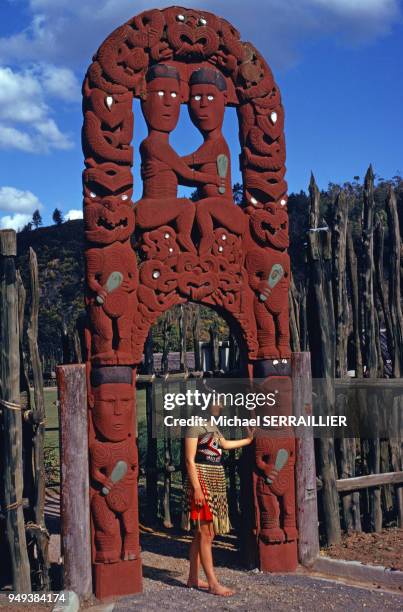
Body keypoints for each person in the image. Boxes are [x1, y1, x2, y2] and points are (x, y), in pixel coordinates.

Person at [134, 64, 221, 253]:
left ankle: (186, 242)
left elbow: (180, 172)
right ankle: (184, 238)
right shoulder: (155, 144)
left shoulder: (162, 148)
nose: (167, 102)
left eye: (174, 95)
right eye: (159, 94)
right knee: (187, 206)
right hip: (151, 209)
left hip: (160, 209)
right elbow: (185, 172)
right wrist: (212, 179)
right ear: (144, 99)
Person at [182, 402, 254, 596]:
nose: (221, 406)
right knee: (206, 533)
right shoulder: (194, 425)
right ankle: (213, 583)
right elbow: (189, 459)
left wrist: (247, 440)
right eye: (217, 402)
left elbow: (223, 445)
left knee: (202, 534)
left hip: (214, 480)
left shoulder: (211, 425)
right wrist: (197, 489)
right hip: (202, 481)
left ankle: (193, 578)